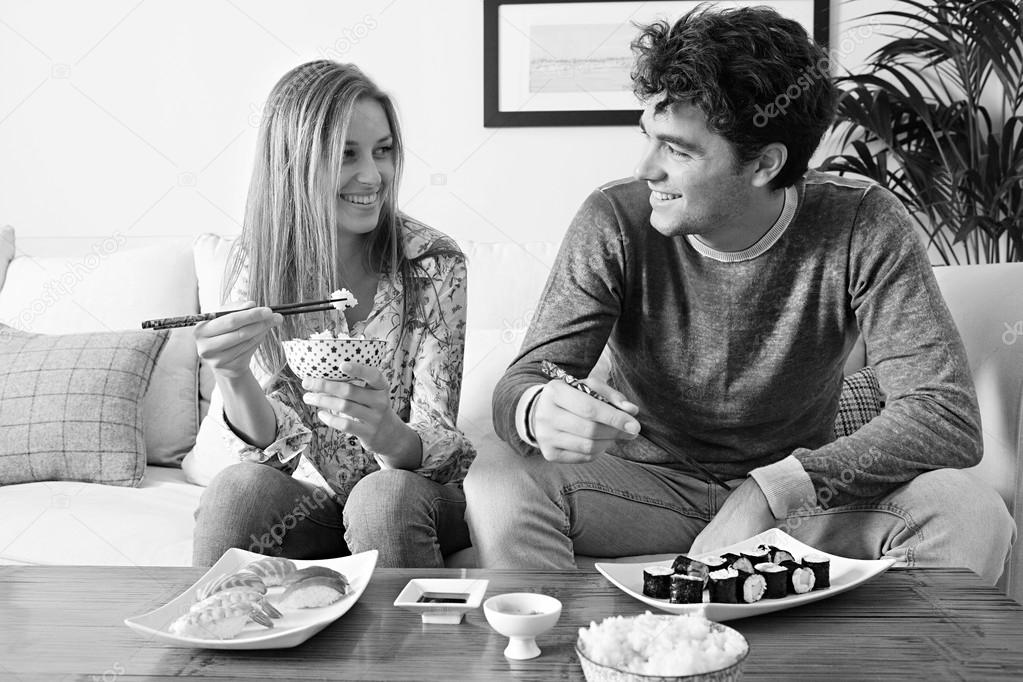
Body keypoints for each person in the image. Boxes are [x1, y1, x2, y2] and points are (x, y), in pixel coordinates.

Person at [464, 6, 1015, 582]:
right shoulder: (613, 219)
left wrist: (769, 491)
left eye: (677, 150)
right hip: (642, 493)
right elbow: (523, 382)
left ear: (765, 164)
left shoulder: (863, 222)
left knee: (970, 512)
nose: (645, 168)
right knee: (500, 478)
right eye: (649, 139)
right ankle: (572, 666)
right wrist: (534, 411)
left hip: (798, 503)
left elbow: (945, 413)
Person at [187, 60, 474, 568]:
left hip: (411, 497)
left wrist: (385, 430)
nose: (373, 175)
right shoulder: (256, 266)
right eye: (346, 156)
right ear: (293, 164)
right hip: (314, 508)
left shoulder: (432, 263)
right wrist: (231, 375)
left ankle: (406, 649)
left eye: (382, 152)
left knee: (381, 499)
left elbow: (440, 444)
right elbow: (275, 449)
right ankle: (213, 640)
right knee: (237, 490)